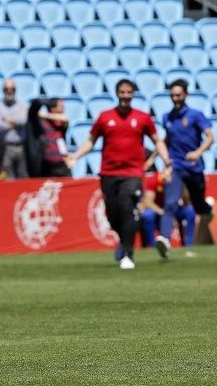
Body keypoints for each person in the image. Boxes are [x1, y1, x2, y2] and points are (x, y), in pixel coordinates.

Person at [66, 79, 171, 269]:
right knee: (112, 214)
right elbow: (91, 141)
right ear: (117, 93)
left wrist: (165, 159)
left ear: (133, 94)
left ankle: (128, 255)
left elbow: (158, 141)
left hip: (132, 173)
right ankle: (124, 242)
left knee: (126, 206)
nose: (125, 96)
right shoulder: (105, 117)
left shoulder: (142, 117)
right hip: (108, 173)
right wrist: (75, 156)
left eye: (129, 92)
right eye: (122, 92)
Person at [158, 79, 215, 259]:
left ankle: (208, 211)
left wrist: (198, 152)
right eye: (172, 95)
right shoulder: (167, 117)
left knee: (199, 205)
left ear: (185, 95)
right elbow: (166, 140)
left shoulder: (195, 115)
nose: (175, 98)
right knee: (170, 203)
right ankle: (165, 241)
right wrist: (160, 160)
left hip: (194, 167)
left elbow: (210, 137)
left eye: (178, 94)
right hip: (176, 166)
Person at [139, 168, 196, 254]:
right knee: (147, 215)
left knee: (190, 211)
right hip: (158, 211)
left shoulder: (179, 177)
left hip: (175, 210)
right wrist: (164, 213)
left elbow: (186, 200)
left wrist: (180, 184)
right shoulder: (154, 179)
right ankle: (153, 247)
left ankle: (189, 245)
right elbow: (148, 202)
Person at [0, 78, 28, 178]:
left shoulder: (22, 104)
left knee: (23, 176)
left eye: (12, 89)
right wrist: (14, 122)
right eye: (7, 89)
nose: (9, 91)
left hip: (21, 146)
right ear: (3, 90)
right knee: (7, 176)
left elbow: (23, 120)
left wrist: (6, 119)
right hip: (5, 147)